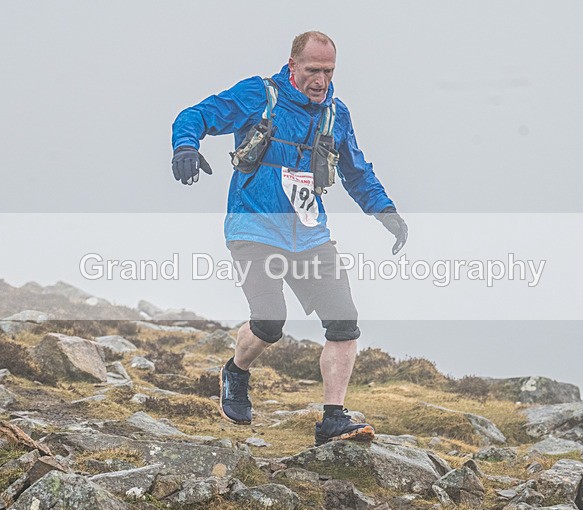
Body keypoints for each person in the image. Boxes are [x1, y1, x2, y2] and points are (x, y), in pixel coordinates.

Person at [171, 31, 408, 446]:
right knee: (269, 322)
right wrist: (185, 147)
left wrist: (385, 211)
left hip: (310, 234)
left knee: (344, 322)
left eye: (329, 71)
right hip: (253, 228)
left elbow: (356, 171)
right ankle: (236, 371)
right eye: (313, 70)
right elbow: (195, 115)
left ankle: (332, 418)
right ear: (293, 64)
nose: (321, 80)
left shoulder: (335, 114)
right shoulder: (259, 95)